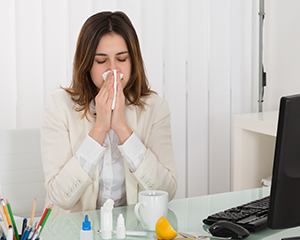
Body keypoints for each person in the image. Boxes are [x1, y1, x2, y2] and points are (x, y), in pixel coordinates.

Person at [41, 11, 178, 215]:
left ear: (133, 61)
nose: (113, 70)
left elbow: (167, 191)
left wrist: (122, 127)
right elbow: (60, 197)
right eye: (101, 61)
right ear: (86, 64)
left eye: (121, 59)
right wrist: (100, 128)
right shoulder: (57, 107)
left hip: (132, 230)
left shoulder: (155, 108)